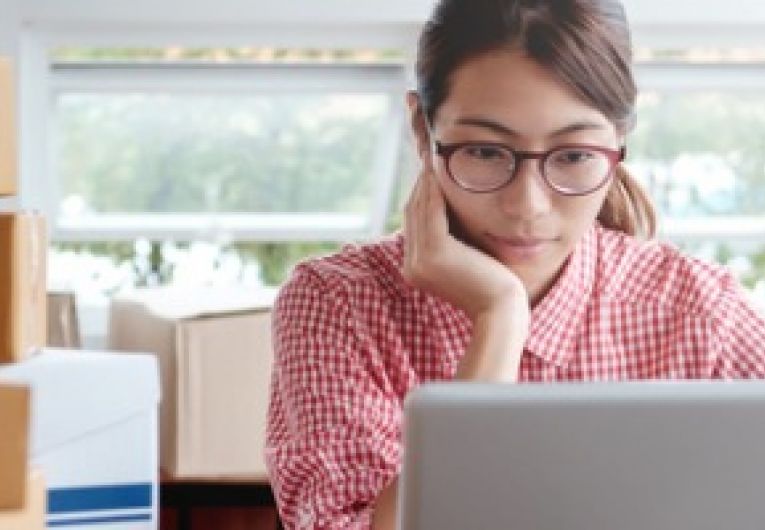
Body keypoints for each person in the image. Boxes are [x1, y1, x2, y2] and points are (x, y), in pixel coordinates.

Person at [264, 0, 765, 528]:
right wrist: (498, 319)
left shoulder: (702, 310)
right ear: (421, 128)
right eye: (484, 151)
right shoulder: (338, 304)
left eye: (573, 156)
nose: (527, 206)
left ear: (619, 139)